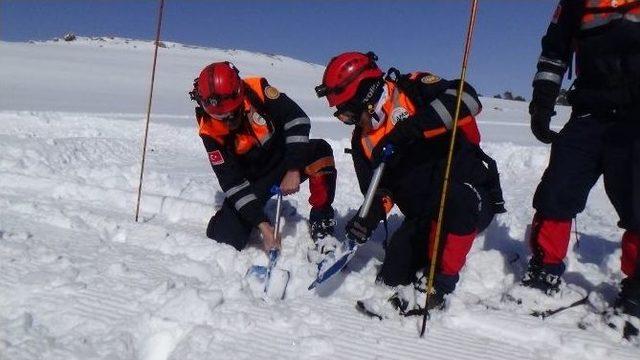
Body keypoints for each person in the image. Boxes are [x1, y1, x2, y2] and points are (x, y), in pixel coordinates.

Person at [315, 51, 505, 313]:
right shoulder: (362, 142)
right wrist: (367, 218)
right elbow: (380, 191)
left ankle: (441, 283)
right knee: (393, 273)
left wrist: (407, 131)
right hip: (424, 214)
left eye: (347, 113)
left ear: (367, 97)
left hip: (469, 195)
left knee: (455, 199)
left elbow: (468, 99)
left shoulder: (414, 87)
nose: (347, 121)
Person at [524, 0, 640, 321]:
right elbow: (554, 52)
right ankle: (544, 268)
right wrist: (542, 103)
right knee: (557, 190)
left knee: (637, 202)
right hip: (590, 109)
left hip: (636, 116)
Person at [189, 61, 337, 253]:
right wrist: (263, 225)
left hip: (284, 159)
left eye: (232, 114)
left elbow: (297, 119)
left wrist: (293, 168)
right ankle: (234, 215)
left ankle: (322, 220)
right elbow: (231, 182)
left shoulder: (258, 90)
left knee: (320, 152)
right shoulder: (209, 131)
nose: (229, 121)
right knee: (227, 236)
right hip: (254, 180)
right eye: (221, 117)